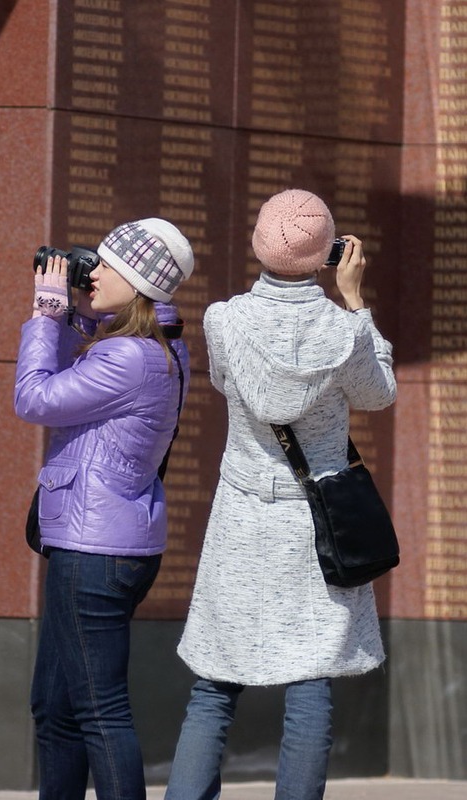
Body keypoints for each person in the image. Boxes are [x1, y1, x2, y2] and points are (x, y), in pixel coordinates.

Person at [164, 189, 397, 800]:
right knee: (311, 680)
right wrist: (355, 303)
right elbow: (379, 393)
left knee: (215, 684)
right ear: (328, 255)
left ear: (257, 246)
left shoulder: (223, 319)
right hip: (318, 519)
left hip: (241, 514)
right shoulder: (341, 331)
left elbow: (224, 382)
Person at [14, 218, 194, 800]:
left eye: (108, 267)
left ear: (141, 284)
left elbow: (35, 398)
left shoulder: (130, 358)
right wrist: (74, 313)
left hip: (95, 551)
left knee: (98, 711)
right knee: (56, 707)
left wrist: (46, 317)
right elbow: (74, 373)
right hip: (102, 541)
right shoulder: (153, 348)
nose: (94, 274)